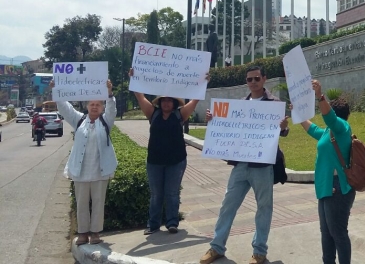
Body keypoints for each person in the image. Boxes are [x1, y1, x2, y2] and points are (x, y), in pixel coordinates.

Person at [200, 65, 289, 264]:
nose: (253, 82)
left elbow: (282, 132)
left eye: (256, 78)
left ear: (264, 79)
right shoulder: (239, 105)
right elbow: (226, 129)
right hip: (240, 165)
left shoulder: (274, 104)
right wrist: (212, 120)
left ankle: (259, 251)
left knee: (264, 208)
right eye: (249, 79)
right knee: (227, 206)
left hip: (263, 166)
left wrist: (283, 128)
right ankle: (217, 247)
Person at [129, 68, 208, 235]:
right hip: (154, 161)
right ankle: (153, 224)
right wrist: (134, 78)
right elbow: (140, 96)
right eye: (163, 100)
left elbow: (195, 100)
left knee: (172, 193)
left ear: (174, 103)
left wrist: (204, 82)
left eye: (169, 101)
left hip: (176, 161)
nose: (166, 103)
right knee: (156, 194)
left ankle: (172, 223)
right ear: (159, 102)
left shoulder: (180, 115)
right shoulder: (153, 113)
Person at [292, 79, 356, 264]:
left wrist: (320, 96)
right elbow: (312, 130)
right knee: (326, 233)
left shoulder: (342, 127)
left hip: (338, 188)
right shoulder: (329, 132)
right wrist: (297, 112)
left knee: (338, 233)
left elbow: (329, 118)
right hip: (327, 188)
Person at [52, 79, 117, 246]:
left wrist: (109, 93)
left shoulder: (106, 122)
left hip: (100, 171)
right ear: (87, 106)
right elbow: (65, 108)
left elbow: (112, 108)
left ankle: (95, 233)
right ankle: (82, 233)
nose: (95, 107)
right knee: (81, 204)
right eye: (92, 104)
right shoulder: (79, 120)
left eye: (98, 104)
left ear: (102, 107)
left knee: (98, 203)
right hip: (80, 170)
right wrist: (57, 91)